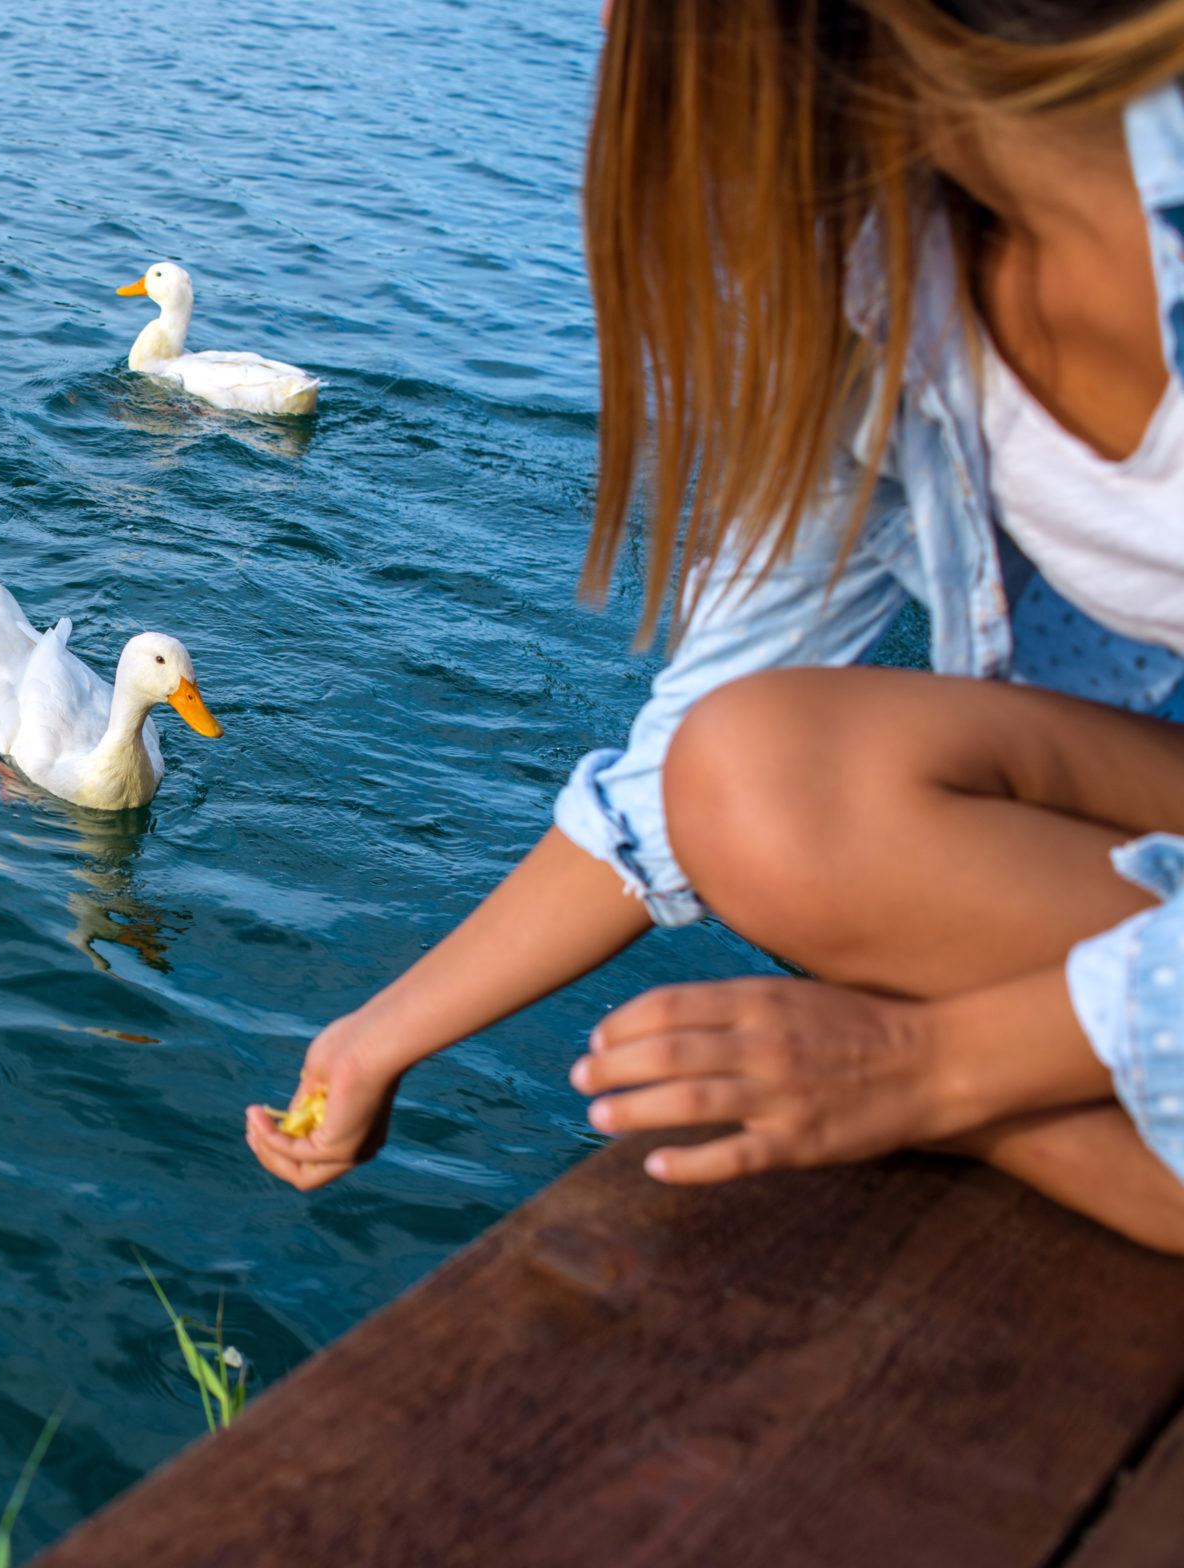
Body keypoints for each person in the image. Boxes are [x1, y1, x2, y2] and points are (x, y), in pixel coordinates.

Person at [246, 0, 1184, 1252]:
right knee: (759, 780)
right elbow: (696, 749)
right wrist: (379, 1033)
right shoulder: (886, 270)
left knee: (875, 967)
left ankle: (1038, 1098)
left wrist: (930, 1063)